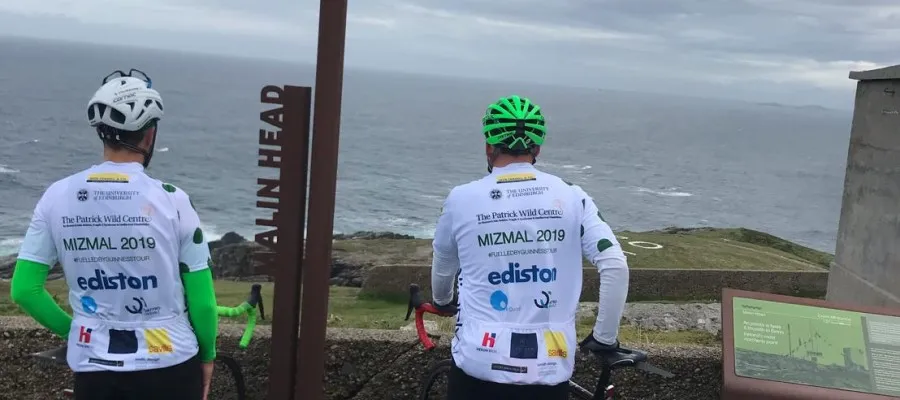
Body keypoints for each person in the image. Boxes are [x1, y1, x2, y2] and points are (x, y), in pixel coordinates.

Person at [9, 69, 219, 400]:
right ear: (149, 136)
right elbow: (204, 304)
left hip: (96, 367)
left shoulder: (57, 195)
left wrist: (79, 332)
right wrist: (207, 355)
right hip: (172, 366)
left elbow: (24, 290)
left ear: (102, 134)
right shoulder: (173, 199)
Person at [430, 95, 630, 399]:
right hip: (549, 367)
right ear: (537, 148)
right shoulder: (573, 196)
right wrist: (604, 338)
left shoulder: (460, 198)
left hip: (478, 362)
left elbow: (444, 259)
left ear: (488, 145)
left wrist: (442, 299)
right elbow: (615, 264)